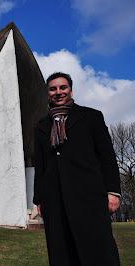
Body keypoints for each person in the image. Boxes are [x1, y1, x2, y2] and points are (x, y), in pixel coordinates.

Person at [33, 72, 121, 266]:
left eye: (62, 88)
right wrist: (39, 198)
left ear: (70, 90)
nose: (58, 92)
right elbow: (40, 165)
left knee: (98, 248)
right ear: (48, 93)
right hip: (55, 198)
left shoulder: (91, 117)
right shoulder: (41, 126)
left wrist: (113, 191)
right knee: (61, 250)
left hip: (89, 195)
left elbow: (107, 156)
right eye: (53, 89)